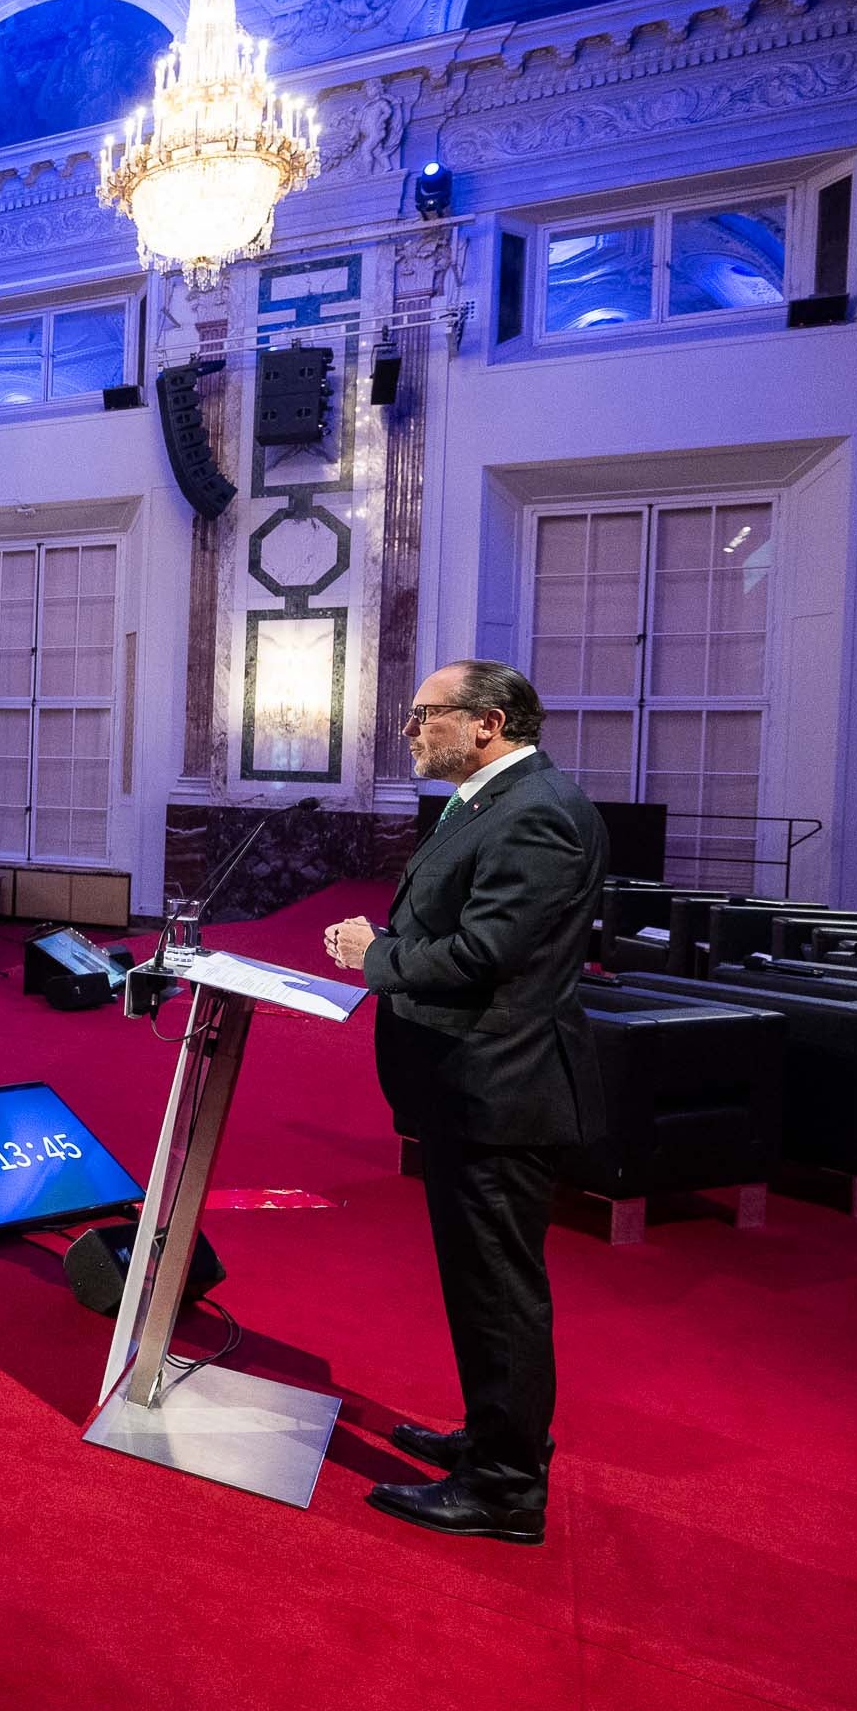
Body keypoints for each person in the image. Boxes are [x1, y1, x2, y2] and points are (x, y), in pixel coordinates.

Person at [323, 659, 607, 1547]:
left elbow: (488, 953)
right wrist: (391, 943)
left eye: (425, 714)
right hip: (471, 1084)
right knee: (480, 1285)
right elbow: (465, 927)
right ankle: (492, 1441)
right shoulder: (495, 801)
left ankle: (506, 1487)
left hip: (502, 1089)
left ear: (488, 723)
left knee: (499, 1291)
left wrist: (376, 955)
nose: (409, 730)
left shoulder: (538, 812)